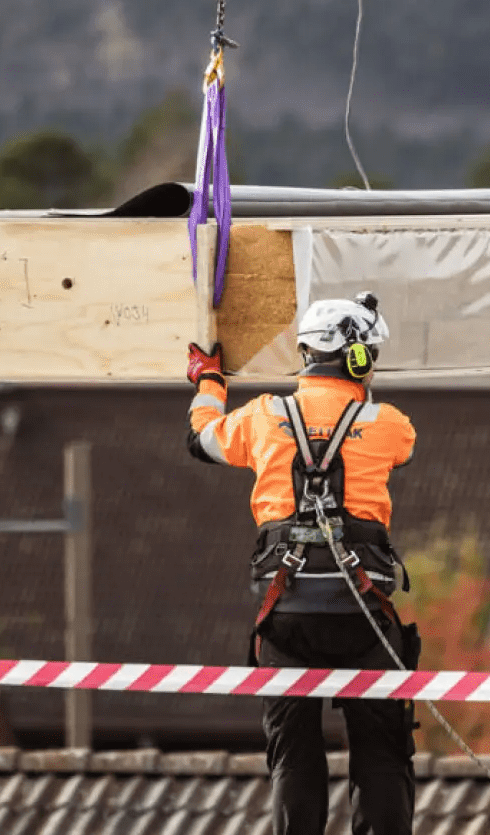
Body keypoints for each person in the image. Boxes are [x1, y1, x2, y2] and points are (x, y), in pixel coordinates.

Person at [185, 293, 419, 835]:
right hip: (364, 614)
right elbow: (403, 450)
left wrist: (209, 382)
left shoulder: (262, 416)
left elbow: (200, 439)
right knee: (383, 755)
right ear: (357, 358)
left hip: (286, 613)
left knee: (292, 756)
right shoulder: (388, 422)